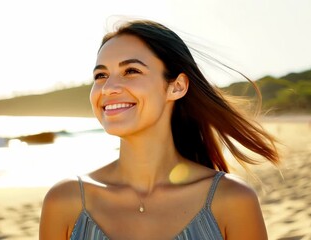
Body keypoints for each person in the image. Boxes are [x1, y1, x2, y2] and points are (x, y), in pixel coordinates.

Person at [39, 19, 280, 240]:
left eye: (131, 71)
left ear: (176, 87)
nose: (108, 88)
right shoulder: (65, 201)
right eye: (100, 75)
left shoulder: (232, 200)